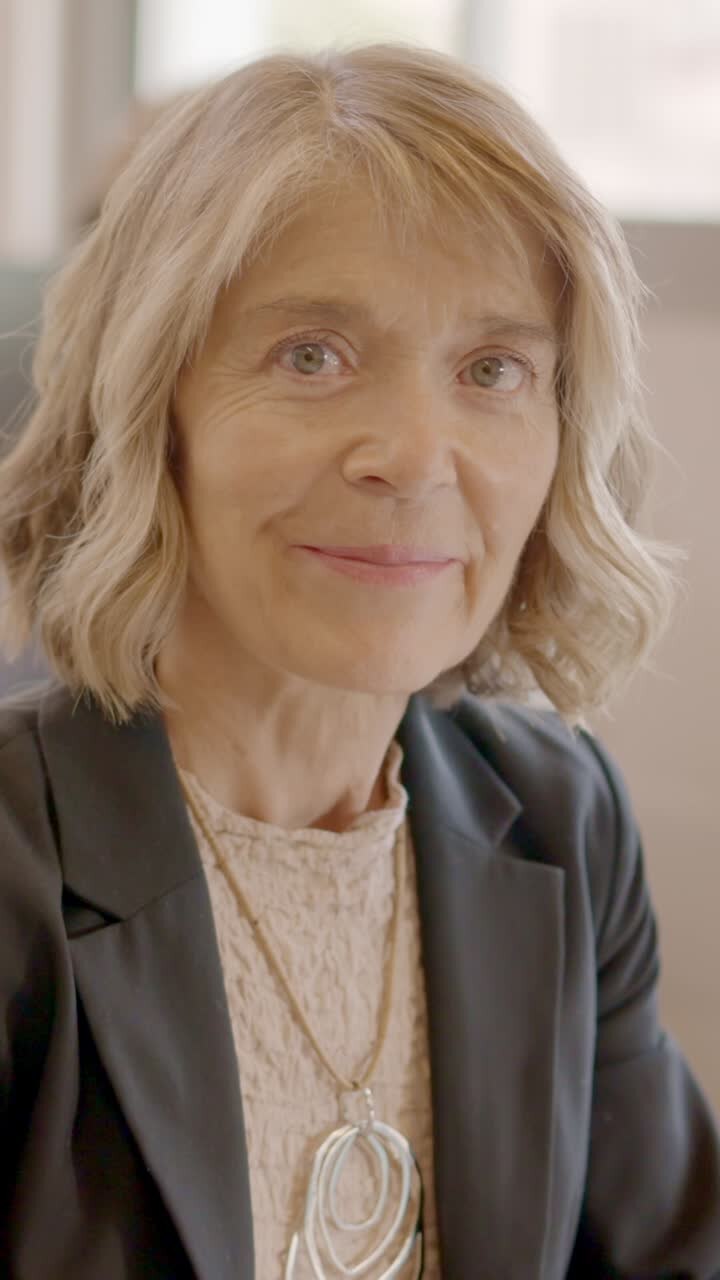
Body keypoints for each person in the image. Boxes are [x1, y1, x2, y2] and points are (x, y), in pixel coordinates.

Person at [0, 41, 717, 1280]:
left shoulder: (559, 817)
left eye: (493, 369)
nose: (416, 453)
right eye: (312, 355)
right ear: (149, 412)